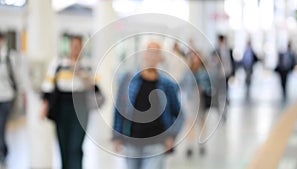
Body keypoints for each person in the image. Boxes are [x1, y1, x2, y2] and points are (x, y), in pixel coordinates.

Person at [112, 41, 183, 169]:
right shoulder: (128, 80)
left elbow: (179, 114)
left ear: (160, 57)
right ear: (143, 54)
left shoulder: (167, 85)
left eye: (156, 52)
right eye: (149, 51)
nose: (152, 56)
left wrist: (172, 136)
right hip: (132, 141)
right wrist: (116, 136)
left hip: (156, 143)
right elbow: (119, 109)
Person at [40, 35, 101, 169]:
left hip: (80, 106)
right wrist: (44, 107)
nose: (75, 49)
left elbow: (96, 87)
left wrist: (81, 73)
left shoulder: (88, 65)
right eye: (73, 46)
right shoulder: (58, 64)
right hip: (61, 106)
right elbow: (48, 86)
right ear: (68, 47)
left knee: (75, 145)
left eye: (78, 46)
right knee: (63, 143)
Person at [0, 32, 26, 167]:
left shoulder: (9, 57)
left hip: (6, 97)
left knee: (1, 125)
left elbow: (18, 77)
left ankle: (3, 153)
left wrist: (22, 93)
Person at [181, 51, 211, 157]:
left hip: (201, 99)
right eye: (193, 57)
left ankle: (202, 142)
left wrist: (203, 87)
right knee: (190, 122)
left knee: (201, 121)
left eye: (197, 57)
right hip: (190, 98)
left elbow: (210, 85)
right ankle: (189, 145)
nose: (195, 59)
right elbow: (182, 84)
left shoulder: (204, 71)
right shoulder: (187, 71)